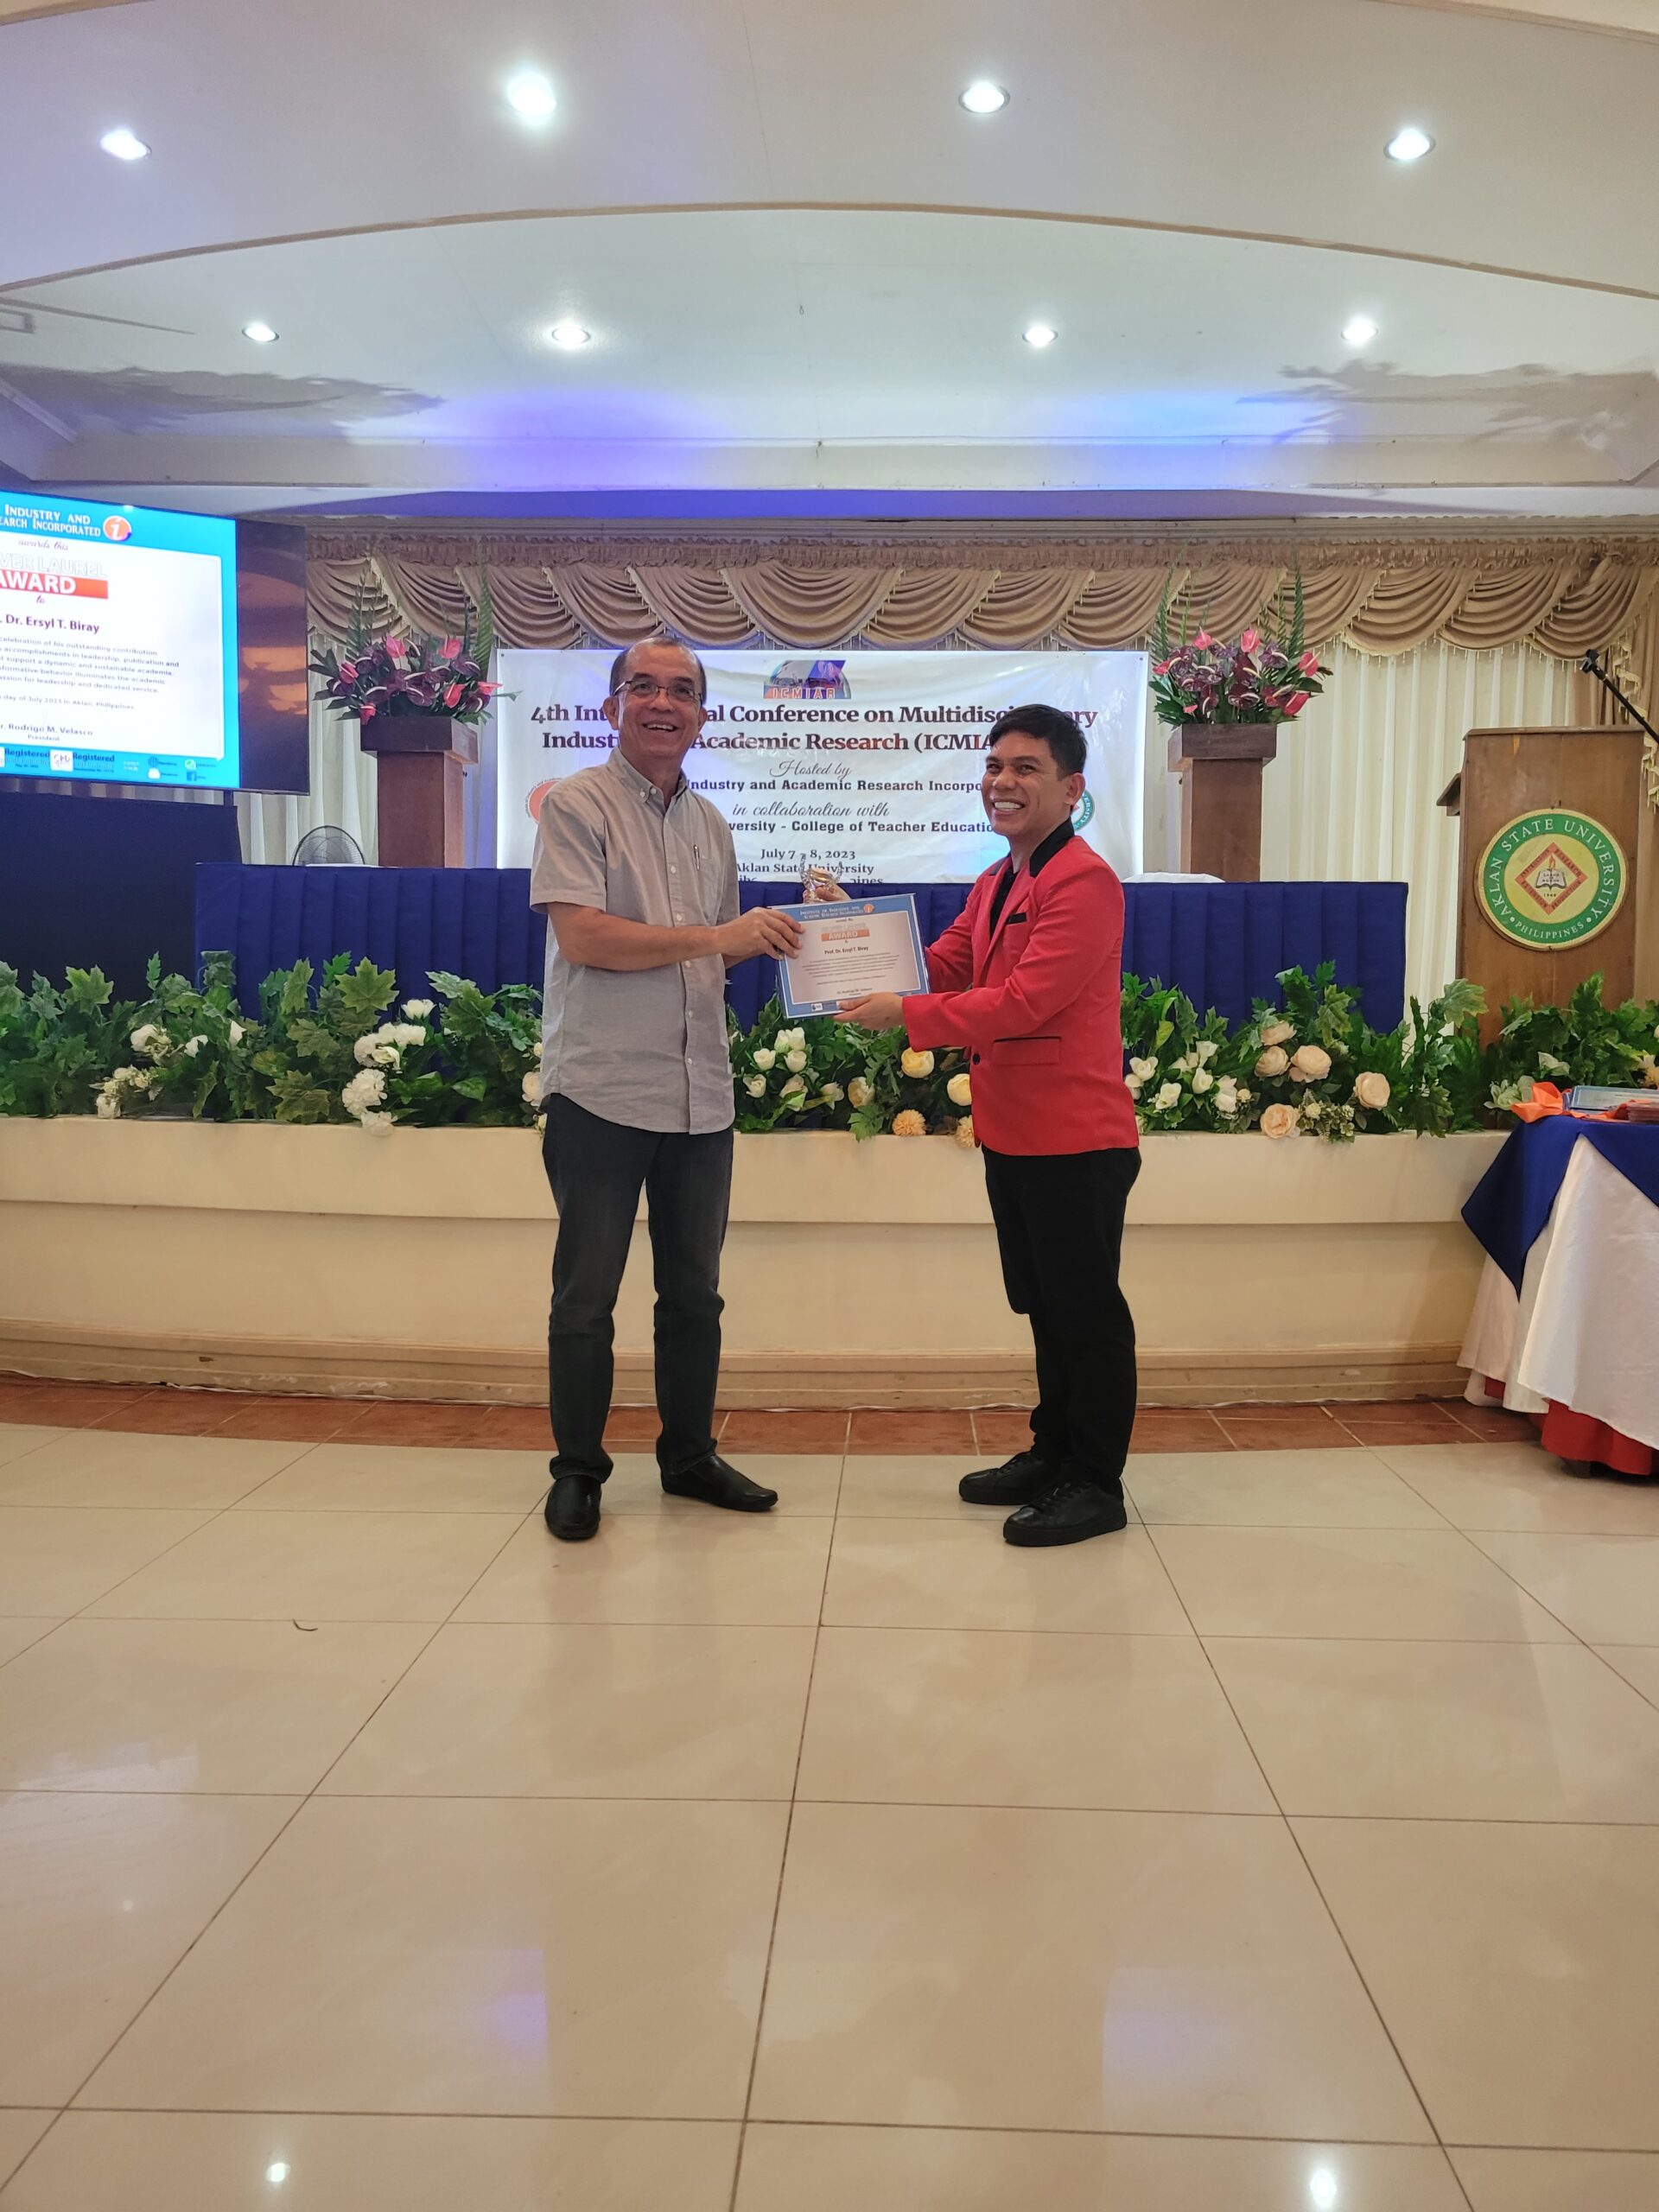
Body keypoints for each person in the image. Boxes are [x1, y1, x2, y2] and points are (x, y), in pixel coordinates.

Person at [837, 703, 1140, 1547]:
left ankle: (1095, 1481)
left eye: (1025, 768)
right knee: (1044, 1305)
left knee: (1085, 1312)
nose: (1002, 782)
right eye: (994, 766)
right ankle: (1053, 1453)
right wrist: (849, 932)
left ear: (1072, 789)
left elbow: (1023, 1002)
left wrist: (905, 1014)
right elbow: (944, 964)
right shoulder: (998, 879)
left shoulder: (1084, 882)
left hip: (1076, 1135)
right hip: (1014, 1130)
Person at [531, 638, 803, 1541]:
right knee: (586, 1299)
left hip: (700, 1096)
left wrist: (807, 935)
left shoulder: (711, 825)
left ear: (701, 717)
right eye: (643, 686)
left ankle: (688, 1457)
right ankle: (578, 1471)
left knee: (694, 1297)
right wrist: (719, 937)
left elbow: (717, 954)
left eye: (681, 691)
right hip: (602, 1092)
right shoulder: (576, 804)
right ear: (612, 706)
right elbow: (585, 938)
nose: (662, 702)